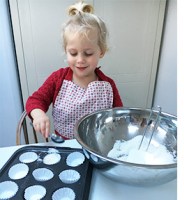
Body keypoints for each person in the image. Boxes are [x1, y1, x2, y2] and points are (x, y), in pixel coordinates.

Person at [26, 1, 122, 140]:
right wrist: (38, 114)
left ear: (101, 52)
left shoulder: (108, 85)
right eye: (73, 53)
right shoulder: (57, 79)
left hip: (97, 146)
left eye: (88, 53)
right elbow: (35, 100)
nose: (80, 60)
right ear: (66, 51)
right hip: (65, 146)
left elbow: (119, 116)